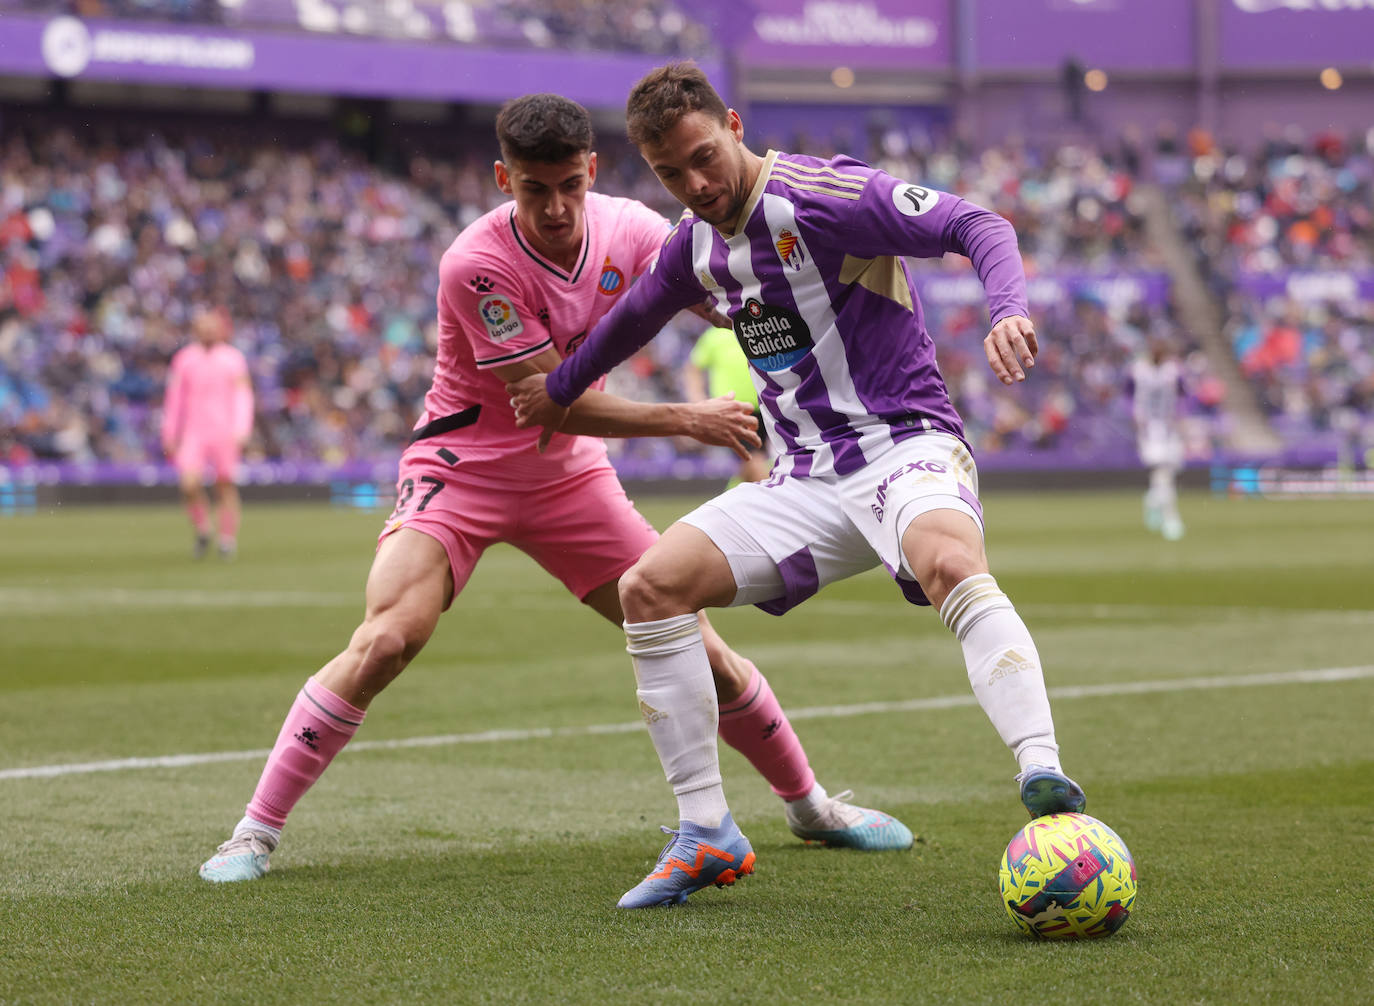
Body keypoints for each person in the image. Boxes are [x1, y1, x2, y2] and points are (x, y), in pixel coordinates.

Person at [198, 94, 913, 886]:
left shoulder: (636, 229)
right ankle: (252, 833)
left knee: (695, 643)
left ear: (593, 171)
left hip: (568, 477)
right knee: (389, 636)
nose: (557, 207)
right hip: (463, 468)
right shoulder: (476, 264)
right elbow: (550, 397)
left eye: (570, 185)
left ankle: (809, 805)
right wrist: (685, 418)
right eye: (536, 189)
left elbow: (737, 292)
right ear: (505, 179)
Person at [509, 63, 1087, 909]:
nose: (696, 185)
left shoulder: (826, 196)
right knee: (650, 588)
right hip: (805, 479)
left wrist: (1007, 308)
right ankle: (706, 832)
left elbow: (979, 223)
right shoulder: (694, 245)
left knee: (950, 565)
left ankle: (1043, 771)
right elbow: (632, 316)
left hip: (902, 446)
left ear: (734, 124)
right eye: (671, 174)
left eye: (705, 157)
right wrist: (557, 392)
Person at [161, 307, 254, 559]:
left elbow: (243, 396)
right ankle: (203, 528)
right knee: (189, 484)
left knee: (224, 484)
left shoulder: (233, 358)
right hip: (194, 431)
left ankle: (227, 538)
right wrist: (170, 432)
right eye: (203, 327)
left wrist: (242, 428)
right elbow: (174, 399)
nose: (208, 331)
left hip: (224, 431)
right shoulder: (184, 359)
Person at [684, 323, 771, 484]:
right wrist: (697, 398)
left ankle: (737, 500)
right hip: (734, 410)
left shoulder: (758, 329)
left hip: (768, 408)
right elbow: (693, 368)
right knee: (754, 459)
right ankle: (774, 503)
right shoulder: (714, 336)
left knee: (750, 464)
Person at [1127, 336, 1186, 540]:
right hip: (1149, 429)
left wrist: (1179, 417)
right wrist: (1135, 417)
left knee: (1168, 472)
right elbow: (1128, 394)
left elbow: (1182, 394)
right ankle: (1171, 517)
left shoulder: (1172, 370)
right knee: (1162, 473)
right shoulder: (1139, 370)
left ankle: (1152, 501)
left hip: (1168, 428)